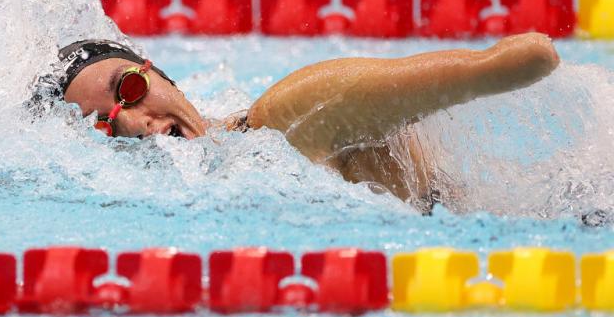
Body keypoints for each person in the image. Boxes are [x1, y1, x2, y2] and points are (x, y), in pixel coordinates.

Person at [32, 32, 559, 213]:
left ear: (161, 75)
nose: (131, 124)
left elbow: (527, 58)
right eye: (102, 125)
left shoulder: (292, 117)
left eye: (128, 89)